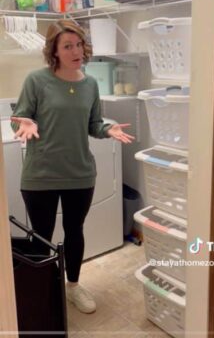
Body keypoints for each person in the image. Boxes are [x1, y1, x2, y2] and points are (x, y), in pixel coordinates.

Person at [11, 19, 134, 314]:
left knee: (74, 230)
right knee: (41, 234)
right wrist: (25, 121)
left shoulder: (90, 84)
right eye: (68, 46)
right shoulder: (36, 80)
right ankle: (43, 292)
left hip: (79, 173)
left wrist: (107, 129)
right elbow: (22, 115)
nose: (76, 50)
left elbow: (93, 123)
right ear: (54, 50)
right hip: (40, 175)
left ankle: (73, 287)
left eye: (79, 44)